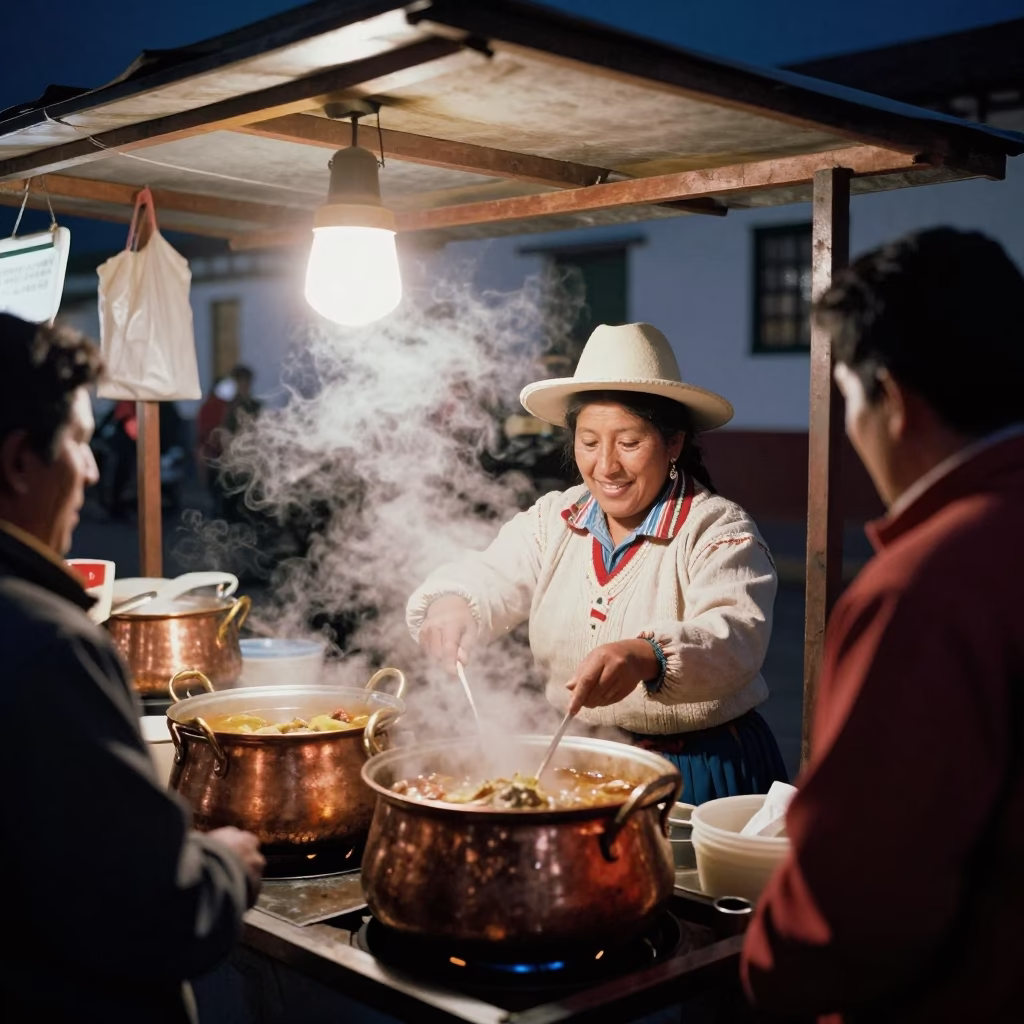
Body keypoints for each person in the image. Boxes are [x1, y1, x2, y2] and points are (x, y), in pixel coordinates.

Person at [741, 228, 1024, 1022]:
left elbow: (852, 905)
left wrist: (767, 970)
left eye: (849, 397)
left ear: (892, 401)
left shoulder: (925, 585)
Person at [0, 314, 265, 1023]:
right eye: (81, 443)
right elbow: (154, 912)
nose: (91, 470)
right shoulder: (49, 642)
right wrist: (225, 864)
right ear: (19, 460)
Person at [408, 322, 787, 803]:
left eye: (629, 443)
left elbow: (736, 635)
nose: (606, 466)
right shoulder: (555, 519)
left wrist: (644, 655)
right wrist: (452, 605)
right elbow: (490, 573)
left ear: (673, 444)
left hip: (695, 772)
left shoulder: (716, 529)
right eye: (589, 442)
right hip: (578, 763)